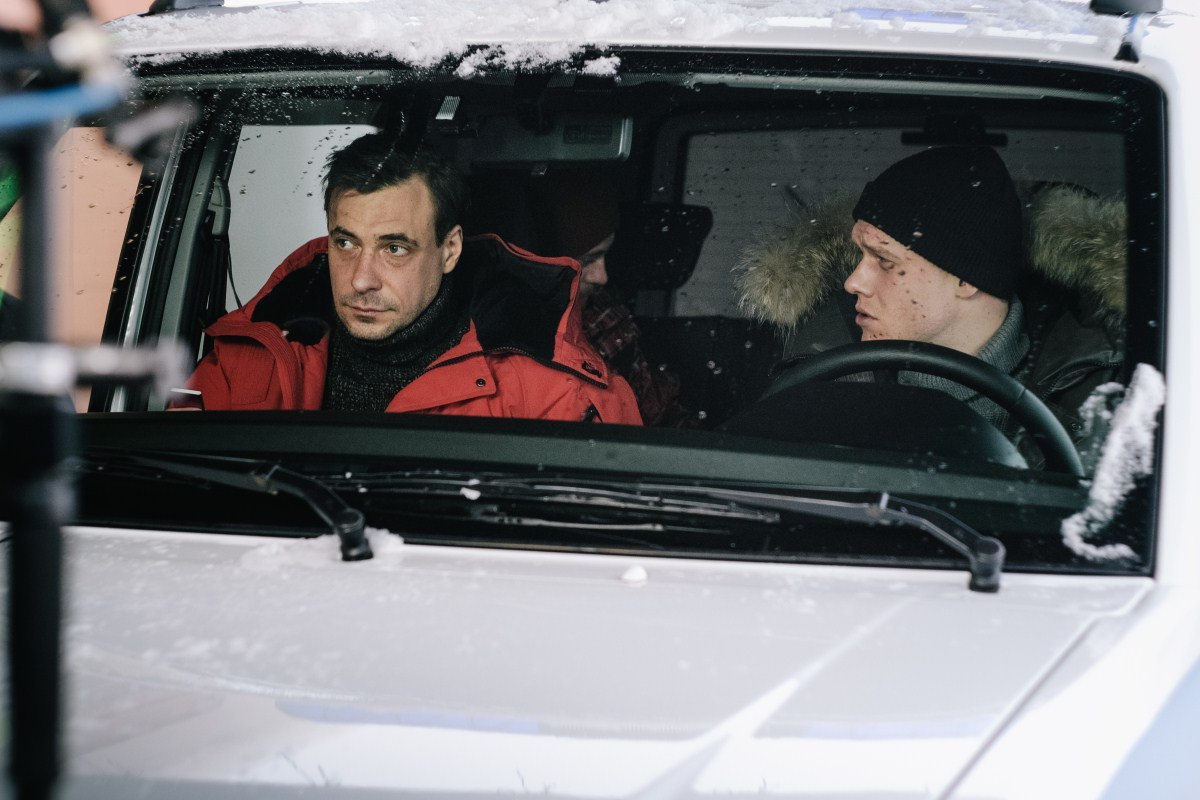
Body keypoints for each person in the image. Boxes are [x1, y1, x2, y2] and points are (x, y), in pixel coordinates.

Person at [179, 133, 642, 424]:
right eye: (346, 243)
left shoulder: (551, 394)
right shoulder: (247, 360)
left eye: (395, 248)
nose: (361, 280)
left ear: (449, 250)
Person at [734, 145, 1125, 467]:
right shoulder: (812, 369)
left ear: (966, 280)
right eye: (860, 255)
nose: (853, 282)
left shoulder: (1101, 401)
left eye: (884, 260)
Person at [547, 170, 694, 428]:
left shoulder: (605, 316)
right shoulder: (528, 345)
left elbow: (657, 411)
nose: (602, 276)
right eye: (588, 260)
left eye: (606, 255)